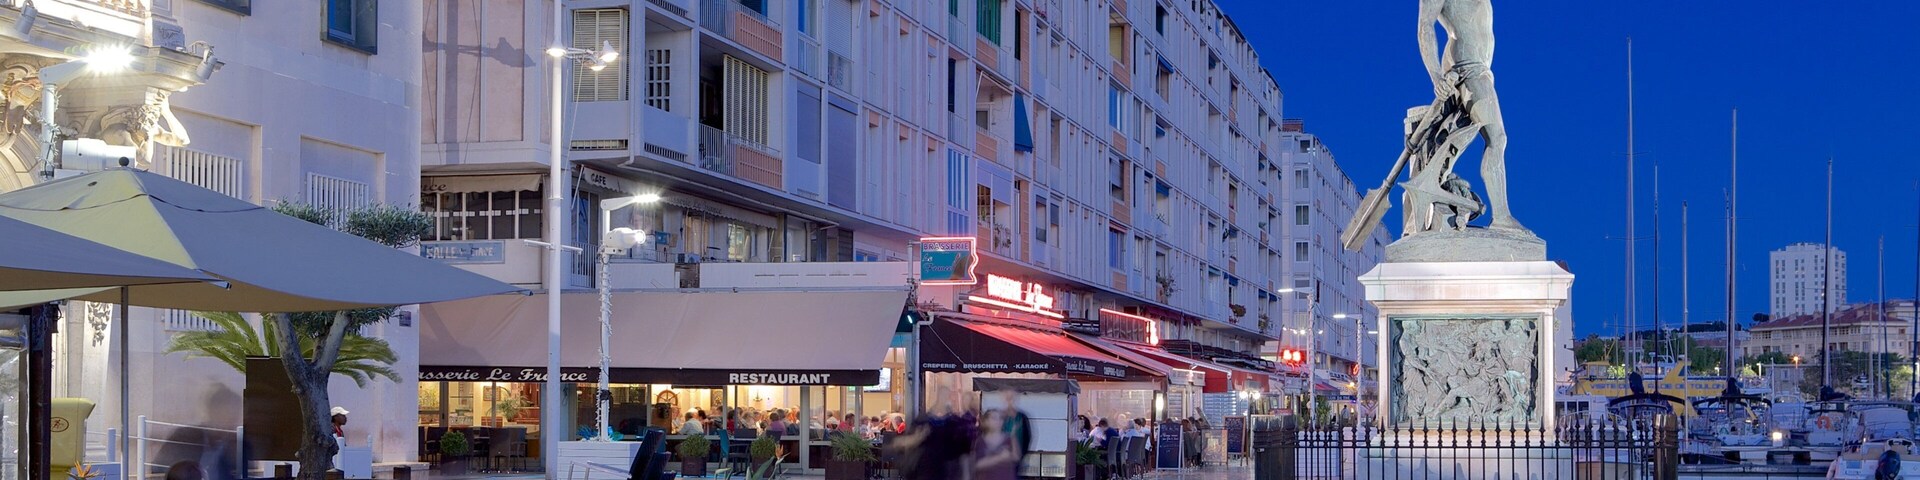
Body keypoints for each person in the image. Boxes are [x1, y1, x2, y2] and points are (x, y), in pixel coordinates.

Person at [1417, 0, 1520, 231]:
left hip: (1482, 69)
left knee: (1477, 139)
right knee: (1497, 138)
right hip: (1465, 67)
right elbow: (1425, 26)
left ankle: (1444, 185)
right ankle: (1502, 216)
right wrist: (1436, 78)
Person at [972, 410, 1019, 480]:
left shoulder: (1010, 439)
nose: (998, 421)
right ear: (986, 421)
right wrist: (1000, 457)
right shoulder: (979, 441)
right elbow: (976, 465)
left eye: (1000, 418)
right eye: (994, 418)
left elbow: (1016, 458)